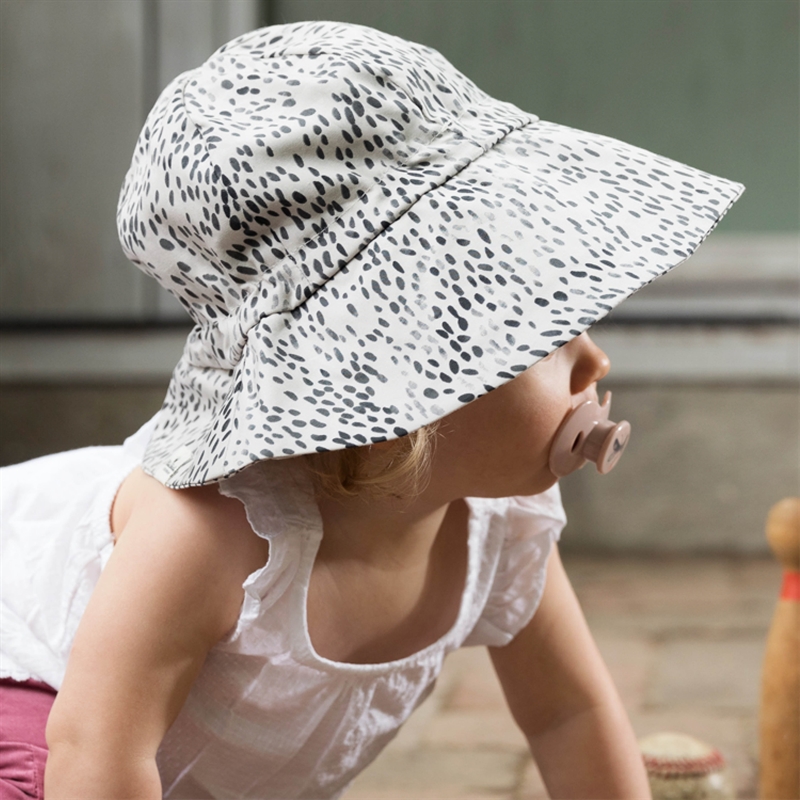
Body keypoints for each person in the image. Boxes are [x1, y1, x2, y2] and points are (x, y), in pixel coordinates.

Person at [0, 20, 743, 800]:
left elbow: (568, 715)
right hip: (35, 704)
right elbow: (95, 751)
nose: (593, 361)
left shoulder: (500, 524)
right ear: (402, 376)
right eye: (544, 337)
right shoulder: (203, 537)